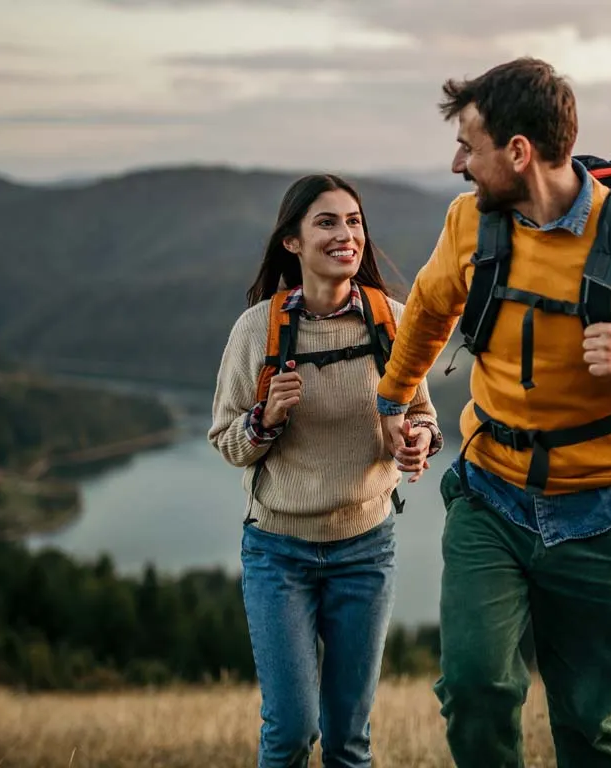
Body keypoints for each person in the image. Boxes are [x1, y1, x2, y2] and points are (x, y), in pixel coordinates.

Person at [375, 58, 611, 767]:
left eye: (469, 145)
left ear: (519, 152)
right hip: (490, 497)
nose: (458, 163)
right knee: (475, 688)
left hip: (602, 516)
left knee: (588, 726)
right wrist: (394, 397)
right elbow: (428, 310)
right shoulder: (470, 223)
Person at [208, 173, 442, 768]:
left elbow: (424, 419)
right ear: (292, 242)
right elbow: (227, 441)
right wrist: (265, 418)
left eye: (354, 221)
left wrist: (416, 441)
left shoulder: (393, 320)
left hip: (366, 549)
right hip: (277, 552)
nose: (347, 235)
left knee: (349, 740)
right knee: (290, 733)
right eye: (328, 222)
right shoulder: (258, 329)